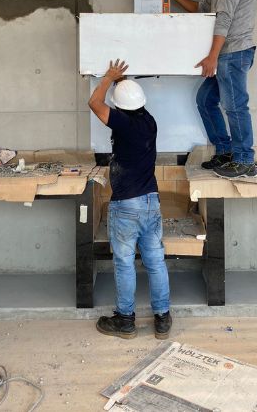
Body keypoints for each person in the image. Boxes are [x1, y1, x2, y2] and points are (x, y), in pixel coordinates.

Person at [88, 59, 171, 339]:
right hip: (151, 202)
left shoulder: (123, 123)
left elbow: (94, 104)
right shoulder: (149, 121)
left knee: (124, 262)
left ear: (120, 107)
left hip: (127, 205)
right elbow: (128, 104)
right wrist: (121, 82)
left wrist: (108, 78)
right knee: (155, 261)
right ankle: (162, 318)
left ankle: (125, 321)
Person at [170, 0, 257, 179]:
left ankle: (243, 160)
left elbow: (224, 19)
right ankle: (226, 151)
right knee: (206, 100)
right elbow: (201, 9)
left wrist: (212, 56)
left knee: (235, 106)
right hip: (227, 55)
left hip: (233, 53)